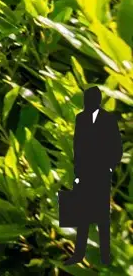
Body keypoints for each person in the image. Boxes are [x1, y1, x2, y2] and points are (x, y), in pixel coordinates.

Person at [64, 86, 124, 261]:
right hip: (84, 172)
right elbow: (77, 146)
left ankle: (105, 254)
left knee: (102, 214)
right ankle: (79, 253)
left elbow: (116, 146)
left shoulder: (108, 119)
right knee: (83, 213)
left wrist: (110, 166)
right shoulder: (80, 118)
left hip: (101, 171)